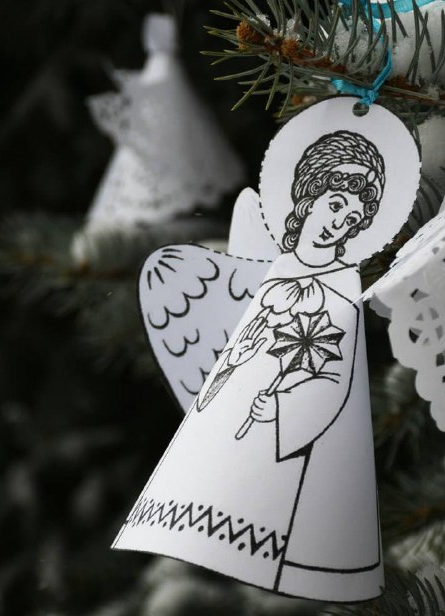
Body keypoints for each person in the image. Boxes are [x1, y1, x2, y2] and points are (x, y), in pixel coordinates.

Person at [114, 129, 387, 602]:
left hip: (288, 446)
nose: (338, 223)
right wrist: (235, 361)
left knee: (275, 525)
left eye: (352, 219)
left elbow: (334, 379)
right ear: (310, 194)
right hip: (234, 424)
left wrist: (282, 407)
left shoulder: (342, 287)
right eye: (334, 204)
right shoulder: (274, 267)